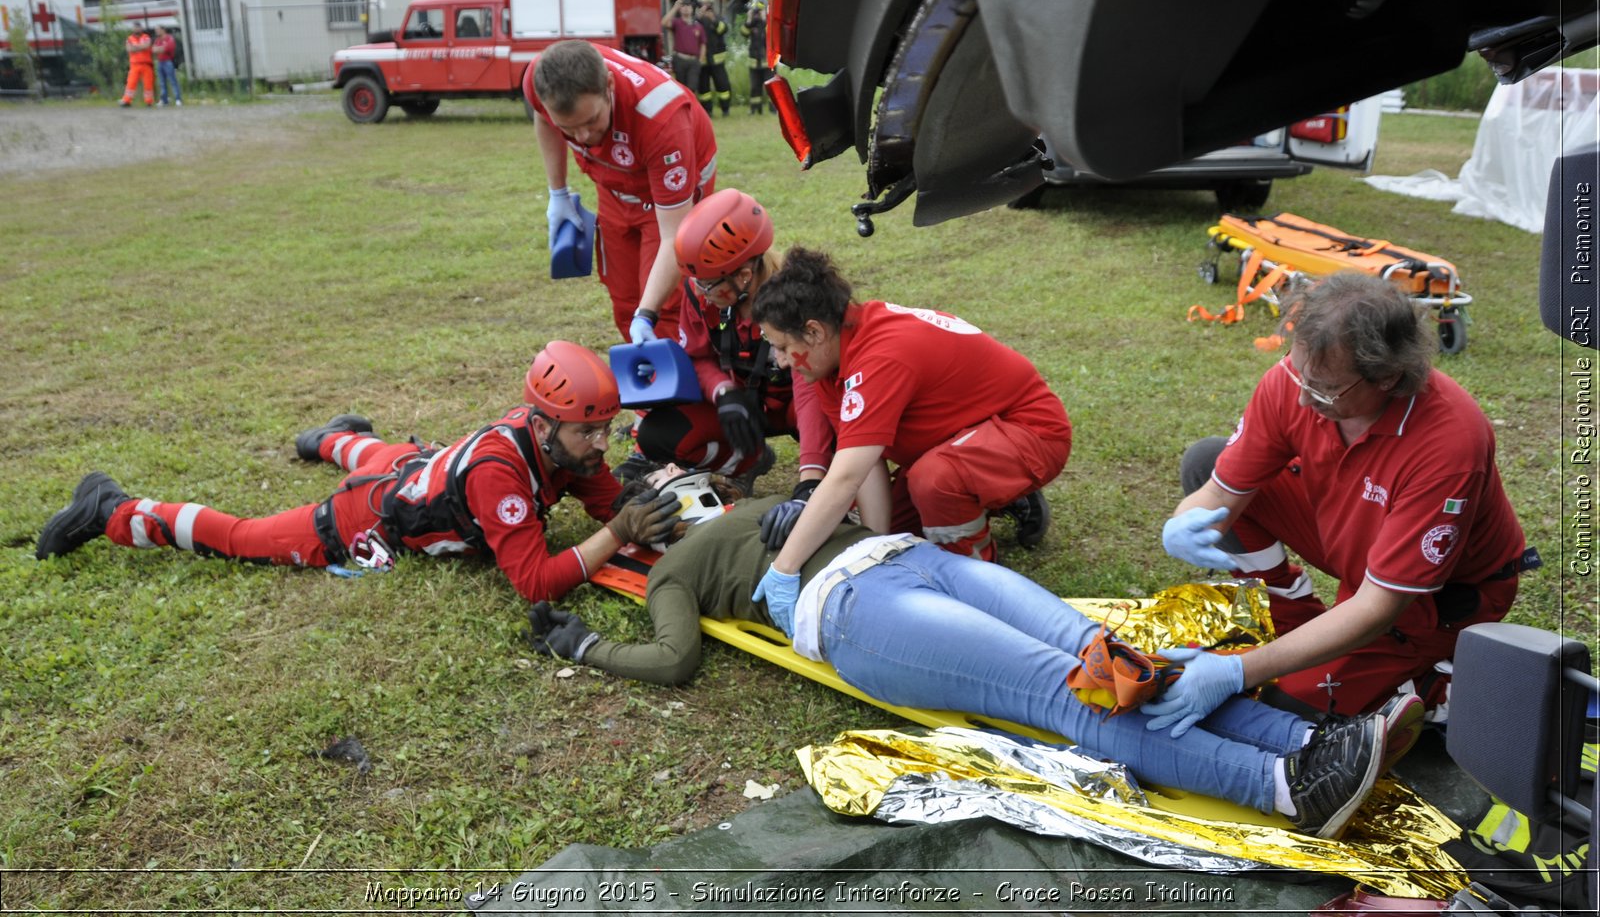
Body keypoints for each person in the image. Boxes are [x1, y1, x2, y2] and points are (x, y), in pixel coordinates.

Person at [527, 478, 1400, 840]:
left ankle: (1305, 739)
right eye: (653, 505)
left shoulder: (754, 499)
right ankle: (1285, 787)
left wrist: (804, 503)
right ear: (639, 536)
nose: (676, 501)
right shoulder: (670, 572)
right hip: (860, 613)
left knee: (1111, 654)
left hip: (913, 558)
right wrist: (583, 642)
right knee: (1072, 693)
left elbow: (847, 491)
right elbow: (676, 657)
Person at [1153, 271, 1532, 726]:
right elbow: (1218, 491)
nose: (1304, 398)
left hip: (1434, 600)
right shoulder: (1297, 380)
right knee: (1206, 460)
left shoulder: (1449, 443)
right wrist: (1184, 520)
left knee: (1282, 711)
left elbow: (1378, 606)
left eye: (1325, 389)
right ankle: (1291, 613)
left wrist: (1238, 672)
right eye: (1300, 372)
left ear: (1389, 377)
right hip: (1353, 536)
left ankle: (1433, 684)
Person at [33, 342, 682, 603]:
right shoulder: (501, 473)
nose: (602, 442)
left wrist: (660, 508)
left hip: (419, 469)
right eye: (587, 430)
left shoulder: (564, 444)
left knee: (385, 455)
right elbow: (537, 582)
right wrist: (619, 528)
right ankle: (112, 509)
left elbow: (610, 501)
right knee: (244, 537)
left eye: (605, 426)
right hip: (373, 519)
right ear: (543, 424)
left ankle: (337, 437)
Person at [747, 246, 1067, 617]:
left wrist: (783, 570)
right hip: (960, 438)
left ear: (814, 331)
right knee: (872, 532)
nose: (781, 361)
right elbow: (865, 465)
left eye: (783, 347)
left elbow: (845, 476)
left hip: (1032, 431)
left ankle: (980, 587)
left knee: (935, 481)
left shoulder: (880, 355)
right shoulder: (830, 359)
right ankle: (986, 497)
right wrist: (874, 551)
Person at [628, 189, 832, 487]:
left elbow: (809, 386)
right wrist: (724, 393)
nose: (700, 292)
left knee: (835, 416)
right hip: (741, 405)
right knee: (659, 434)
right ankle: (747, 462)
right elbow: (697, 356)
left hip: (797, 405)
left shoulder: (794, 298)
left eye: (708, 284)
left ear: (744, 275)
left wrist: (810, 476)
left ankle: (831, 479)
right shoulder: (701, 292)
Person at [526, 40, 718, 346]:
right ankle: (640, 365)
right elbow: (542, 117)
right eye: (569, 128)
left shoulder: (661, 121)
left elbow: (674, 237)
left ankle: (680, 381)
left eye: (591, 121)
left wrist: (648, 314)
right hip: (617, 187)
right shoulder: (541, 77)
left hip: (669, 194)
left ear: (609, 86)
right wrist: (557, 192)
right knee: (624, 296)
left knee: (665, 304)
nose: (583, 137)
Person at [694, 0, 732, 117]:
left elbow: (724, 29)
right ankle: (707, 111)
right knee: (703, 88)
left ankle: (725, 110)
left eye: (708, 0)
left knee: (723, 85)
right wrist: (698, 18)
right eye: (703, 0)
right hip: (702, 59)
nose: (705, 3)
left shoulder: (718, 16)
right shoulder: (695, 18)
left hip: (717, 59)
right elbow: (690, 32)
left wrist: (714, 20)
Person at [660, 0, 705, 96]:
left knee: (692, 87)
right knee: (681, 87)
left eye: (688, 6)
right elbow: (664, 22)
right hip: (680, 60)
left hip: (693, 61)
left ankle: (691, 109)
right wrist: (675, 7)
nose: (686, 8)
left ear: (692, 8)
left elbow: (703, 44)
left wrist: (700, 61)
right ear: (680, 9)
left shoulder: (698, 26)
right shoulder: (677, 22)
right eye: (683, 6)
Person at [740, 0, 770, 116]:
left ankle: (773, 109)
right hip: (754, 61)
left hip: (768, 62)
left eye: (759, 10)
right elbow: (744, 33)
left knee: (770, 87)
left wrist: (764, 19)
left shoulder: (767, 23)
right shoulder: (751, 24)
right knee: (755, 87)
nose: (757, 13)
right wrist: (749, 19)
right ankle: (754, 109)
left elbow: (770, 35)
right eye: (755, 10)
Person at [119, 24, 154, 107]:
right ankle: (127, 101)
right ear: (133, 29)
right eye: (135, 27)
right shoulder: (130, 38)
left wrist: (135, 47)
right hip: (134, 65)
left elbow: (146, 46)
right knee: (131, 83)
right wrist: (141, 47)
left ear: (141, 28)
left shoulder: (146, 37)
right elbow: (129, 49)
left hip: (146, 64)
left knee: (148, 83)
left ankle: (149, 101)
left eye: (138, 27)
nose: (137, 29)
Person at [153, 26, 183, 107]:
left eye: (158, 30)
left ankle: (178, 99)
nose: (157, 32)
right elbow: (153, 50)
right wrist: (160, 49)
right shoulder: (157, 40)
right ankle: (164, 100)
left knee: (173, 81)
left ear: (163, 30)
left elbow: (168, 48)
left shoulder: (169, 38)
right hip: (160, 62)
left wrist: (159, 49)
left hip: (168, 62)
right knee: (162, 82)